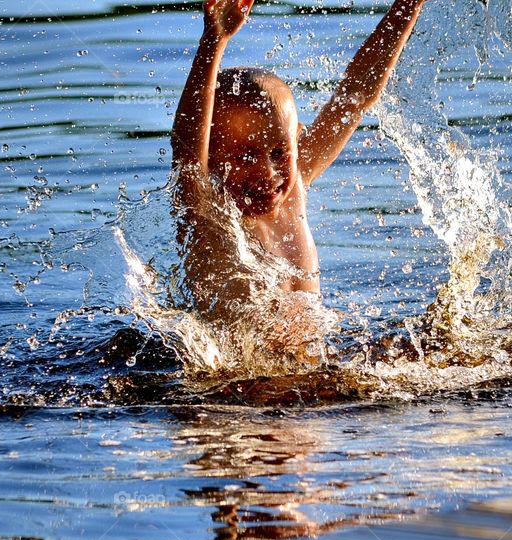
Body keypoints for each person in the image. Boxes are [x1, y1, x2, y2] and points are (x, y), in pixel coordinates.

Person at [171, 0, 427, 329]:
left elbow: (356, 96)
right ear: (213, 160)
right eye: (245, 157)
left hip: (307, 369)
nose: (268, 172)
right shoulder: (207, 214)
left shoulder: (295, 189)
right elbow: (186, 150)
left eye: (279, 152)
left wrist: (409, 5)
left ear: (297, 140)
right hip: (236, 380)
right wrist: (214, 41)